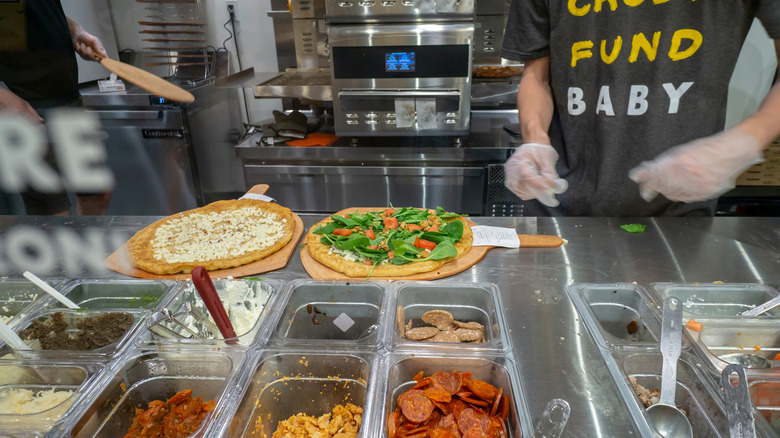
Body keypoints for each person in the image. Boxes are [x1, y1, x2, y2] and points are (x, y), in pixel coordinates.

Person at [501, 1, 780, 216]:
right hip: (556, 200)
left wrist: (744, 141)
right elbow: (536, 75)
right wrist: (536, 141)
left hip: (679, 206)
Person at [0, 0, 109, 215]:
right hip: (23, 106)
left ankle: (89, 250)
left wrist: (75, 32)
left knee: (96, 195)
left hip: (66, 97)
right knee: (52, 213)